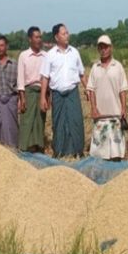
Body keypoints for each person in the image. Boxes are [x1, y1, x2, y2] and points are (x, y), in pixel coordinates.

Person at [40, 23, 86, 157]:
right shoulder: (50, 55)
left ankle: (78, 151)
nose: (67, 35)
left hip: (72, 93)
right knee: (58, 122)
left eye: (67, 33)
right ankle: (59, 152)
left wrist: (88, 89)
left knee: (76, 121)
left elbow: (82, 74)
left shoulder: (74, 52)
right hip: (57, 95)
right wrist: (43, 97)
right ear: (56, 37)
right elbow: (45, 77)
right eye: (64, 33)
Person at [87, 35, 128, 160]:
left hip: (115, 113)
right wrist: (93, 108)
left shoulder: (118, 66)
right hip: (100, 115)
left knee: (116, 151)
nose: (103, 50)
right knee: (99, 152)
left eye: (106, 47)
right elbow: (91, 90)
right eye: (101, 47)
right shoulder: (95, 67)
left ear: (111, 48)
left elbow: (123, 89)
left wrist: (124, 107)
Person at [17, 26, 48, 152]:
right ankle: (25, 147)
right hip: (28, 91)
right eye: (36, 37)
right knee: (27, 120)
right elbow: (20, 78)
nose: (39, 40)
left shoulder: (45, 56)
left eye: (40, 37)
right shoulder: (24, 56)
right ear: (30, 39)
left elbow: (48, 77)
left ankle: (39, 147)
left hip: (41, 92)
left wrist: (47, 96)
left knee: (40, 120)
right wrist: (22, 98)